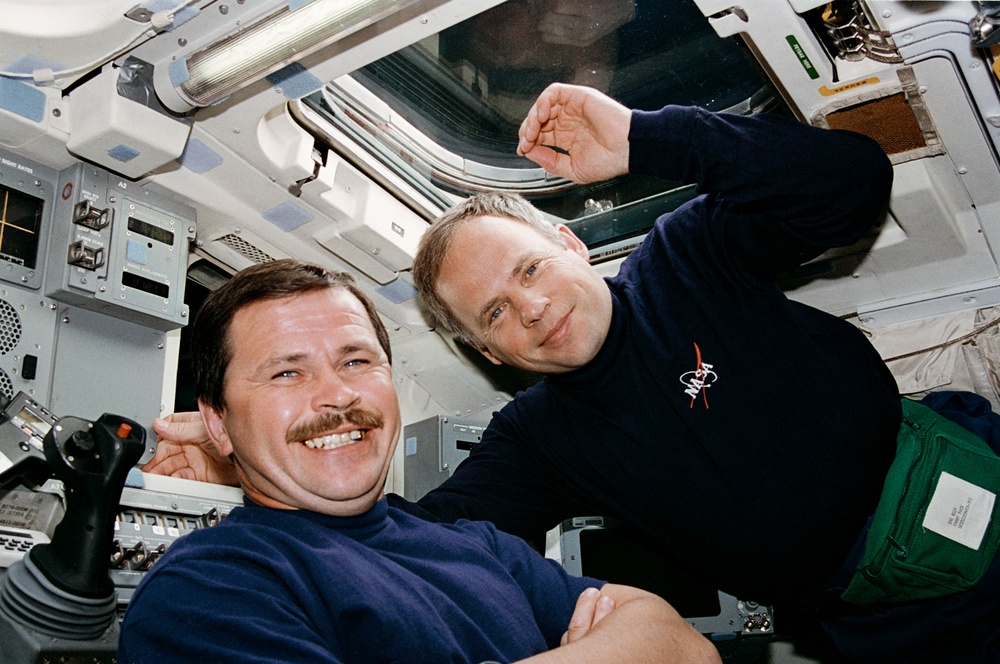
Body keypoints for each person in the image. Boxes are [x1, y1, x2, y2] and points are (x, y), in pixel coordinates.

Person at [145, 85, 1000, 662]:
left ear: (567, 242)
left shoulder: (686, 258)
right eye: (493, 315)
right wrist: (240, 463)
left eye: (527, 271)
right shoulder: (539, 440)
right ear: (489, 353)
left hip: (964, 464)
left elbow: (851, 186)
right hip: (889, 614)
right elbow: (406, 537)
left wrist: (645, 136)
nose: (531, 310)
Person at [118, 259, 717, 664]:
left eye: (356, 361)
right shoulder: (209, 589)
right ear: (219, 421)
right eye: (286, 372)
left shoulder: (482, 548)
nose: (338, 395)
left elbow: (687, 646)